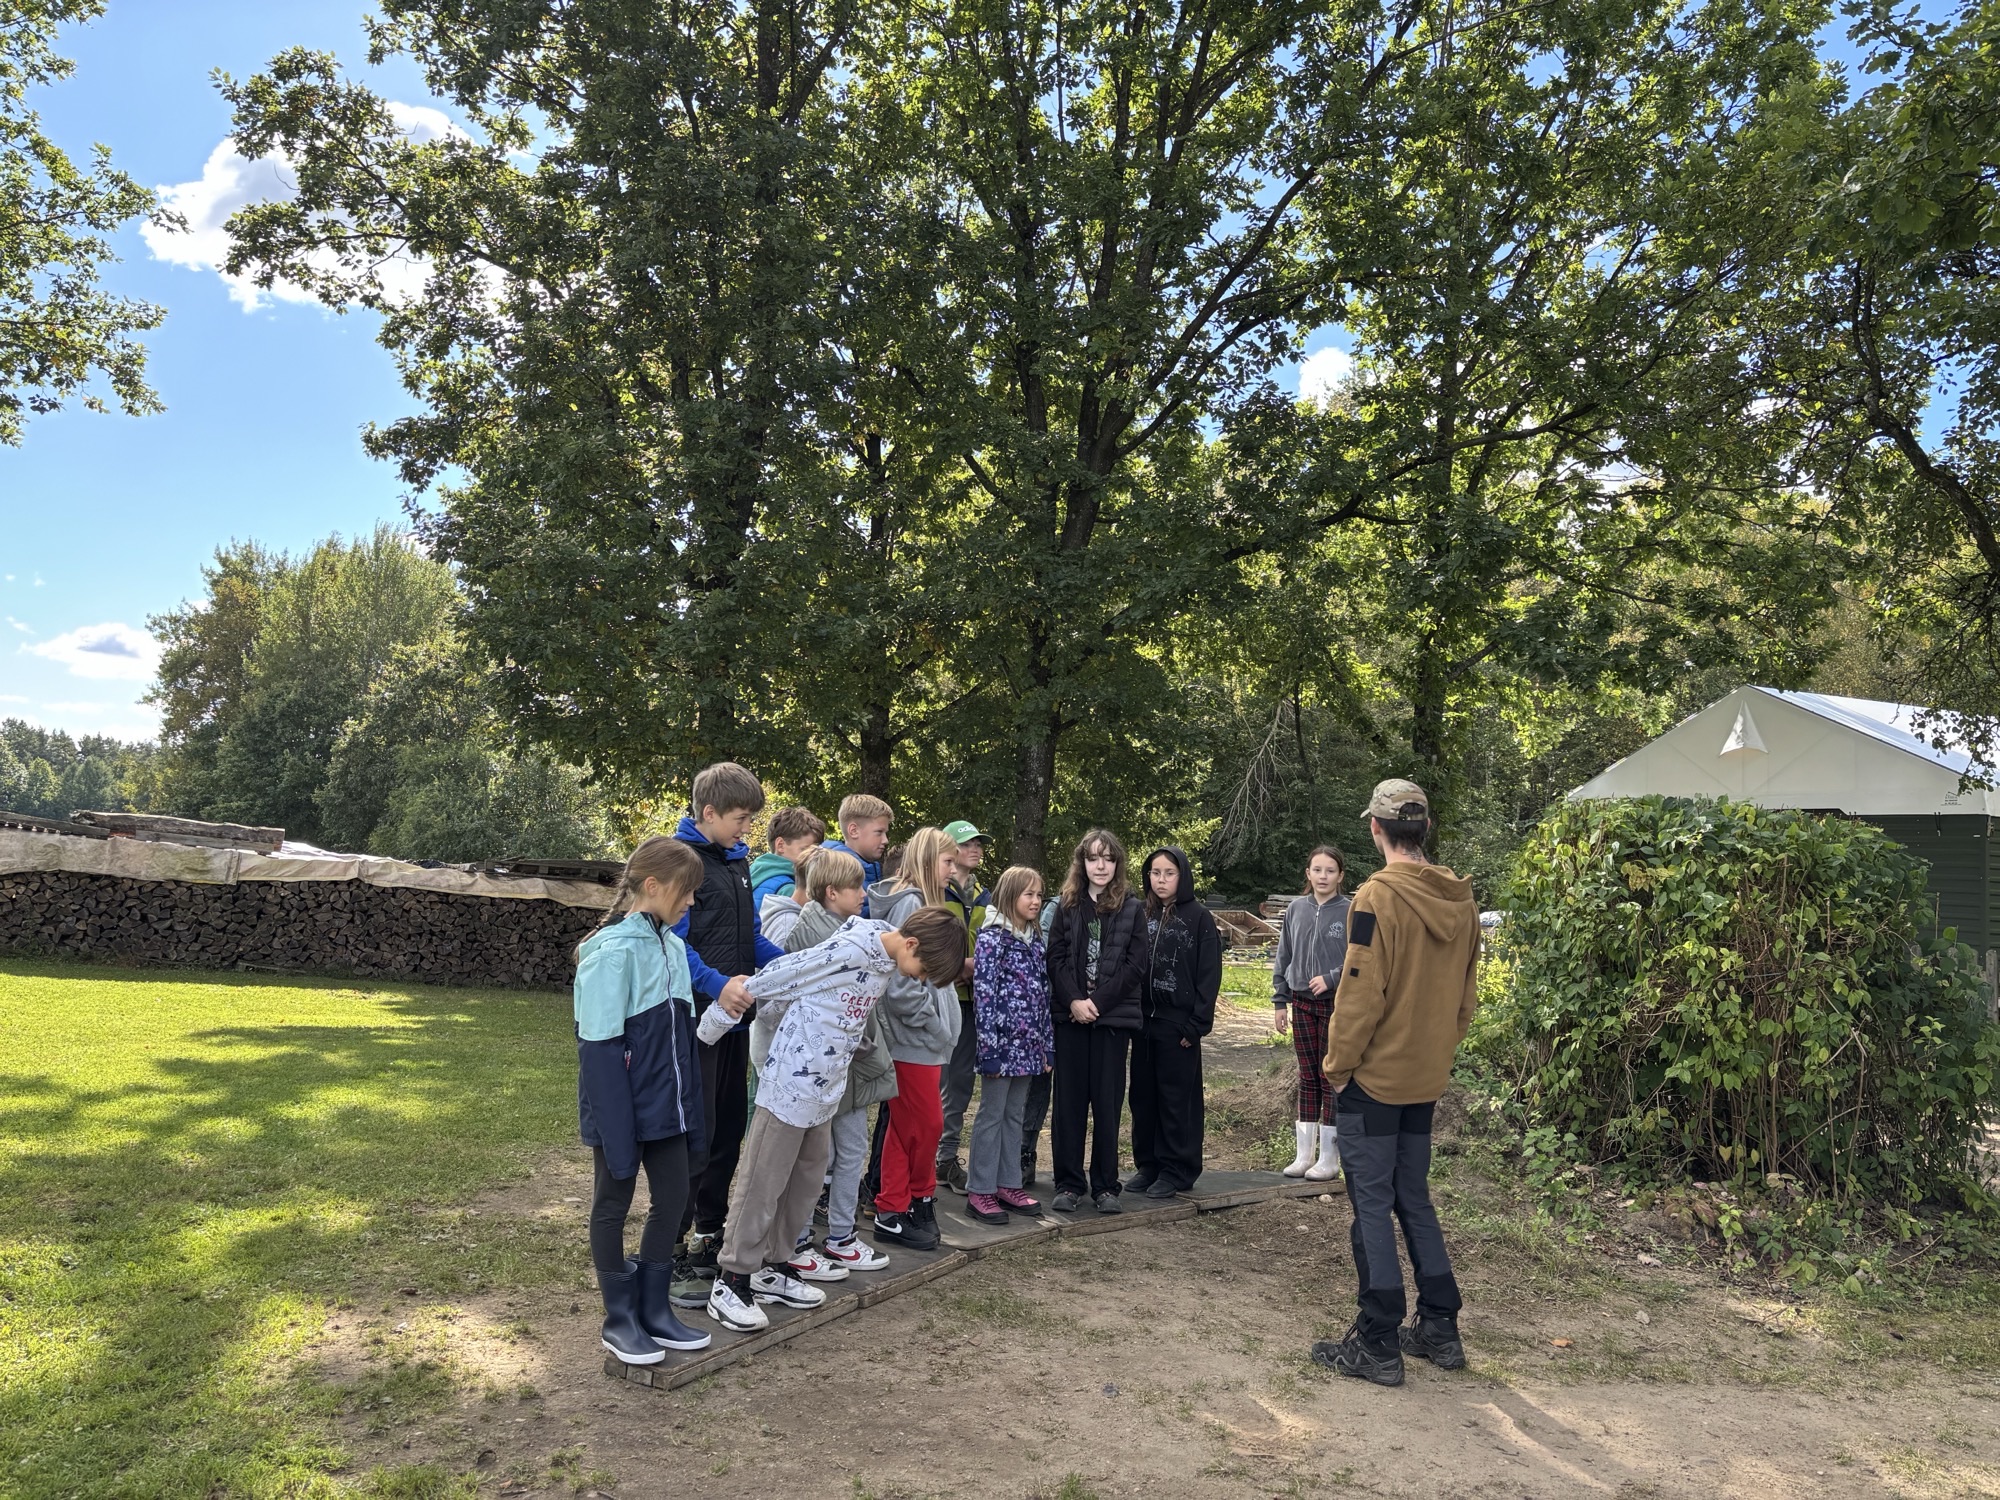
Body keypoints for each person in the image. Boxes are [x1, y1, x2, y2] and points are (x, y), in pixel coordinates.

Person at [700, 904, 967, 1331]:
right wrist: (718, 1018)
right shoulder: (853, 949)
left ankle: (774, 1265)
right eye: (923, 972)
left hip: (826, 1090)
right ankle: (731, 1278)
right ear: (912, 944)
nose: (919, 980)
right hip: (790, 1085)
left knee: (804, 1183)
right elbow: (788, 971)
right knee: (763, 1184)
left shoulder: (884, 960)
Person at [1312, 779, 1479, 1388]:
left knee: (1372, 1206)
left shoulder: (1375, 897)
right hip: (1425, 1077)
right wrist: (1434, 1056)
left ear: (1375, 829)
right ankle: (1439, 1326)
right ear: (1425, 828)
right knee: (1413, 1198)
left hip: (1374, 1080)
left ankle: (1378, 1341)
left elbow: (1359, 994)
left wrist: (1337, 1067)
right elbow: (1466, 998)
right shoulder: (1461, 900)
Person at [573, 837, 713, 1364]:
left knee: (672, 1201)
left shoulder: (672, 947)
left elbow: (682, 1043)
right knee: (612, 1204)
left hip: (668, 1109)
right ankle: (619, 1319)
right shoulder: (612, 953)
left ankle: (654, 1310)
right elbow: (600, 1050)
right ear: (652, 886)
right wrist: (618, 1131)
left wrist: (691, 1114)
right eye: (687, 891)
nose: (691, 901)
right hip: (621, 1110)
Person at [666, 762, 788, 1308]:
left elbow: (749, 938)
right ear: (709, 813)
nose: (747, 829)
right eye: (740, 819)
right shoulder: (681, 862)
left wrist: (790, 965)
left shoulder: (737, 862)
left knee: (728, 1128)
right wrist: (718, 986)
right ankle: (669, 1246)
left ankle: (708, 1235)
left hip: (737, 1017)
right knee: (696, 1132)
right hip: (698, 1021)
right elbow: (675, 944)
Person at [783, 850, 897, 1272]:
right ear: (832, 892)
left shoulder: (850, 930)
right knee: (819, 1156)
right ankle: (799, 1241)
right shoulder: (815, 937)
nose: (864, 893)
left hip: (849, 1064)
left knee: (849, 1150)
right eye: (855, 886)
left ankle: (840, 1236)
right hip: (824, 1066)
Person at [866, 826, 964, 1251]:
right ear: (927, 859)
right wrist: (937, 1027)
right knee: (923, 1125)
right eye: (948, 861)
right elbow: (902, 987)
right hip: (913, 1041)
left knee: (910, 1127)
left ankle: (905, 1203)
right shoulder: (910, 903)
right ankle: (901, 1204)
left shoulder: (921, 901)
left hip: (923, 1042)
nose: (953, 870)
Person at [1044, 829, 1145, 1215]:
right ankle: (1069, 1184)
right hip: (1070, 1019)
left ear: (1117, 863)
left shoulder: (1132, 908)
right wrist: (1073, 1000)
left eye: (1107, 858)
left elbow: (1135, 965)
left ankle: (1105, 1186)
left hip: (1111, 1021)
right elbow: (1055, 957)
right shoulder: (1067, 905)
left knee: (1106, 1104)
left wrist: (1096, 1003)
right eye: (1093, 858)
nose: (1100, 865)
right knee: (1068, 1105)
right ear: (1082, 862)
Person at [1126, 847, 1221, 1198]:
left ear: (1182, 876)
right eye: (1155, 873)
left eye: (1169, 873)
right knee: (1142, 1098)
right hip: (1143, 1023)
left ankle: (1176, 1168)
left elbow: (1209, 975)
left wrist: (1196, 1025)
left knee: (1175, 1099)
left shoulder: (1199, 918)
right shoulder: (1141, 913)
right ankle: (1148, 1165)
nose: (1161, 880)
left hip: (1178, 1026)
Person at [964, 865, 1054, 1224]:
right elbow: (984, 996)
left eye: (1039, 894)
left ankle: (1007, 1183)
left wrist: (1047, 1044)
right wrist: (989, 1049)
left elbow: (1043, 995)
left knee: (1015, 1114)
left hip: (1029, 1047)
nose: (1036, 901)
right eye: (1028, 894)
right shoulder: (993, 939)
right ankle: (980, 1189)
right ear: (1010, 895)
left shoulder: (1034, 939)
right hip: (1000, 1048)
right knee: (992, 1114)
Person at [1272, 845, 1351, 1181]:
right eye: (1317, 870)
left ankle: (1329, 1158)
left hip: (1335, 1004)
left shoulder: (1349, 911)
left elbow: (1360, 958)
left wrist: (1332, 978)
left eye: (1330, 871)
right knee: (1307, 1077)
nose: (1323, 876)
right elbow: (1284, 955)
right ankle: (1304, 1155)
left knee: (1329, 1075)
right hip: (1301, 1001)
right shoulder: (1296, 909)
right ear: (1308, 873)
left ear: (1340, 875)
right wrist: (1280, 1000)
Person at [934, 819, 992, 1195]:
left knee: (960, 1084)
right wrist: (955, 967)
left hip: (974, 1003)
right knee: (934, 1084)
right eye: (967, 843)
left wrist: (979, 969)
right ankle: (924, 1159)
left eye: (979, 844)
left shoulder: (987, 896)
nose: (975, 849)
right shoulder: (935, 892)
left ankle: (946, 1159)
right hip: (941, 999)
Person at [822, 794, 894, 917]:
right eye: (879, 832)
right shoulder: (838, 871)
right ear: (854, 831)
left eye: (885, 833)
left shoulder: (870, 867)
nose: (885, 840)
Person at [750, 806, 827, 911]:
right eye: (806, 849)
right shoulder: (791, 890)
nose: (813, 856)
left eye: (816, 850)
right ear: (780, 845)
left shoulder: (751, 875)